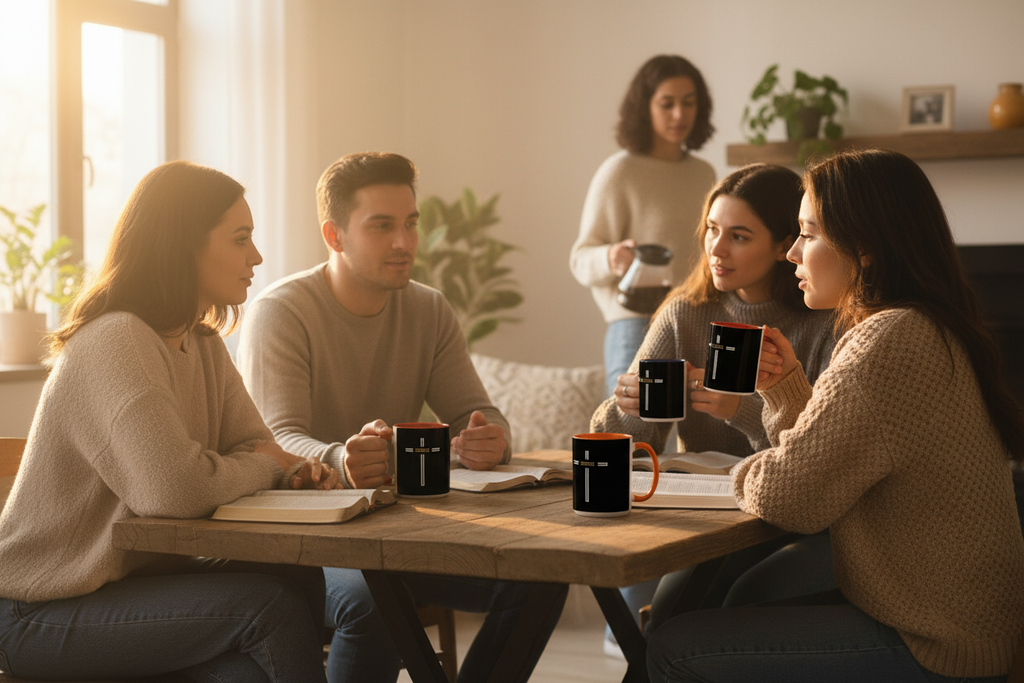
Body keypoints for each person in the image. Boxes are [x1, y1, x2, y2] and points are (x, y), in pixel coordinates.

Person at [647, 149, 1024, 683]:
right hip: (957, 626)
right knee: (733, 603)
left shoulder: (886, 340)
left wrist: (736, 471)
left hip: (933, 643)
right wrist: (783, 389)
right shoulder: (921, 326)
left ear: (864, 248)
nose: (792, 253)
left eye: (809, 233)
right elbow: (834, 461)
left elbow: (791, 498)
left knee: (674, 647)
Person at [237, 151, 567, 683]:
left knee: (542, 577)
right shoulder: (282, 312)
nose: (404, 242)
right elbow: (277, 440)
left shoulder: (429, 309)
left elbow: (476, 413)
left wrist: (491, 438)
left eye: (411, 223)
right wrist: (341, 458)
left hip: (399, 533)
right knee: (374, 599)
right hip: (306, 540)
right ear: (335, 234)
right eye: (382, 226)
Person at [0, 161, 336, 682]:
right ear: (183, 244)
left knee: (290, 578)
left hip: (128, 588)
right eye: (240, 238)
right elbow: (173, 490)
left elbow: (254, 446)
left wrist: (287, 469)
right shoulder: (116, 340)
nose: (257, 256)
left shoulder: (200, 343)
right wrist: (265, 467)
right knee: (267, 607)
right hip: (38, 610)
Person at [591, 163, 837, 647]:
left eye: (739, 236)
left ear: (785, 242)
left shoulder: (819, 321)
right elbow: (617, 449)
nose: (716, 249)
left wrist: (739, 409)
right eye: (711, 230)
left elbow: (824, 456)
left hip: (788, 522)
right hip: (706, 520)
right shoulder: (687, 312)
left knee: (700, 613)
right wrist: (632, 406)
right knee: (669, 616)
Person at [570, 54, 718, 399]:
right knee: (633, 438)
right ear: (645, 107)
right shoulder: (619, 172)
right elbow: (580, 259)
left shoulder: (704, 174)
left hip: (695, 321)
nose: (679, 114)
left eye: (688, 103)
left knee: (694, 444)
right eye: (667, 104)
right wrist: (612, 258)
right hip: (636, 324)